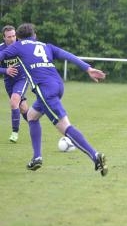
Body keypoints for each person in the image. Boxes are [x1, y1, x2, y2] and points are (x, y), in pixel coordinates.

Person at [0, 23, 108, 175]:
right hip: (58, 85)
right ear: (35, 35)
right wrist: (88, 68)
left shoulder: (17, 46)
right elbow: (67, 55)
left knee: (64, 126)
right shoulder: (45, 45)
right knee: (31, 116)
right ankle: (37, 157)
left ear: (18, 37)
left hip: (45, 90)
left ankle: (95, 156)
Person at [0, 25, 30, 143]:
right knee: (22, 108)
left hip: (22, 78)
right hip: (9, 82)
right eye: (9, 37)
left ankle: (14, 133)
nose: (12, 39)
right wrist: (5, 70)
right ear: (4, 38)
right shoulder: (1, 49)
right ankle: (35, 125)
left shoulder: (21, 46)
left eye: (14, 36)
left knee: (14, 101)